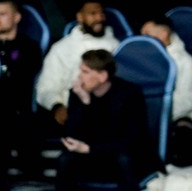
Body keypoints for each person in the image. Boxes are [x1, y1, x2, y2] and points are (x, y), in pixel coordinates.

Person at [55, 49, 162, 191]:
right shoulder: (78, 93)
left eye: (85, 72)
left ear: (103, 76)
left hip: (120, 153)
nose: (79, 77)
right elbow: (71, 135)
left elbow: (131, 140)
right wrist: (85, 103)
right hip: (91, 154)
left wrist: (90, 149)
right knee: (65, 159)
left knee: (125, 159)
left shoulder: (129, 94)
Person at [36, 0, 120, 132]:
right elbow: (46, 87)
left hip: (108, 116)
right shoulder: (61, 48)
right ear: (80, 17)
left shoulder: (117, 47)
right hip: (71, 115)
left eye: (101, 13)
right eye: (93, 14)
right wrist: (57, 107)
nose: (99, 18)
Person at [140, 15, 192, 166]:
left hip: (175, 120)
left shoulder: (186, 63)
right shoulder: (142, 60)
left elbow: (188, 101)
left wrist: (155, 114)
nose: (143, 40)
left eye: (147, 34)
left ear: (163, 34)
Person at [0, 0, 43, 189]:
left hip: (18, 108)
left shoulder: (29, 47)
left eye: (2, 14)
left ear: (16, 17)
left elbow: (23, 77)